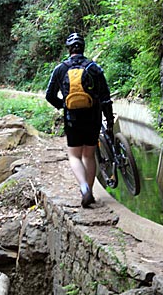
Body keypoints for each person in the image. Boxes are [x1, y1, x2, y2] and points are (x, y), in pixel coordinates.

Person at [46, 32, 114, 208]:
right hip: (93, 116)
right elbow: (105, 98)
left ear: (69, 49)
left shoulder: (60, 69)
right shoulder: (93, 67)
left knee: (74, 155)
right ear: (83, 48)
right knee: (89, 155)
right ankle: (89, 191)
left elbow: (49, 95)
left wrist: (64, 105)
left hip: (72, 118)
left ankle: (84, 189)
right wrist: (109, 121)